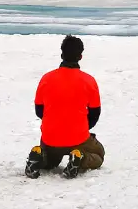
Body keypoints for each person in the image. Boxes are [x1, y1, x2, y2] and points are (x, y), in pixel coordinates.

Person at [25, 35, 105, 179]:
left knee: (50, 162)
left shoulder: (46, 79)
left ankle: (39, 155)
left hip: (51, 137)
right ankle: (79, 158)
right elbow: (95, 114)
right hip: (79, 136)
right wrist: (81, 128)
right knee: (99, 155)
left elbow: (39, 111)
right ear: (80, 56)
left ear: (61, 54)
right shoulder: (89, 81)